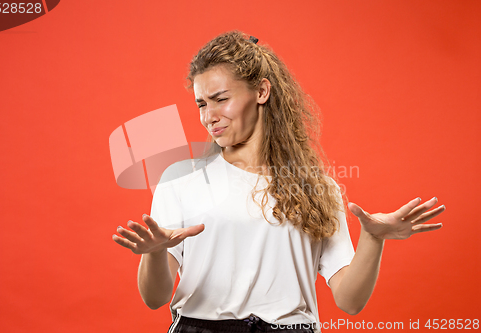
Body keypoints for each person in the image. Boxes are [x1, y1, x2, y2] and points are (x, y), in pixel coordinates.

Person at [112, 31, 445, 333]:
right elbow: (155, 298)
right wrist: (155, 252)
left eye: (220, 98)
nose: (208, 115)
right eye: (201, 103)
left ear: (261, 91)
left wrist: (373, 239)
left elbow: (349, 300)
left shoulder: (318, 188)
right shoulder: (182, 179)